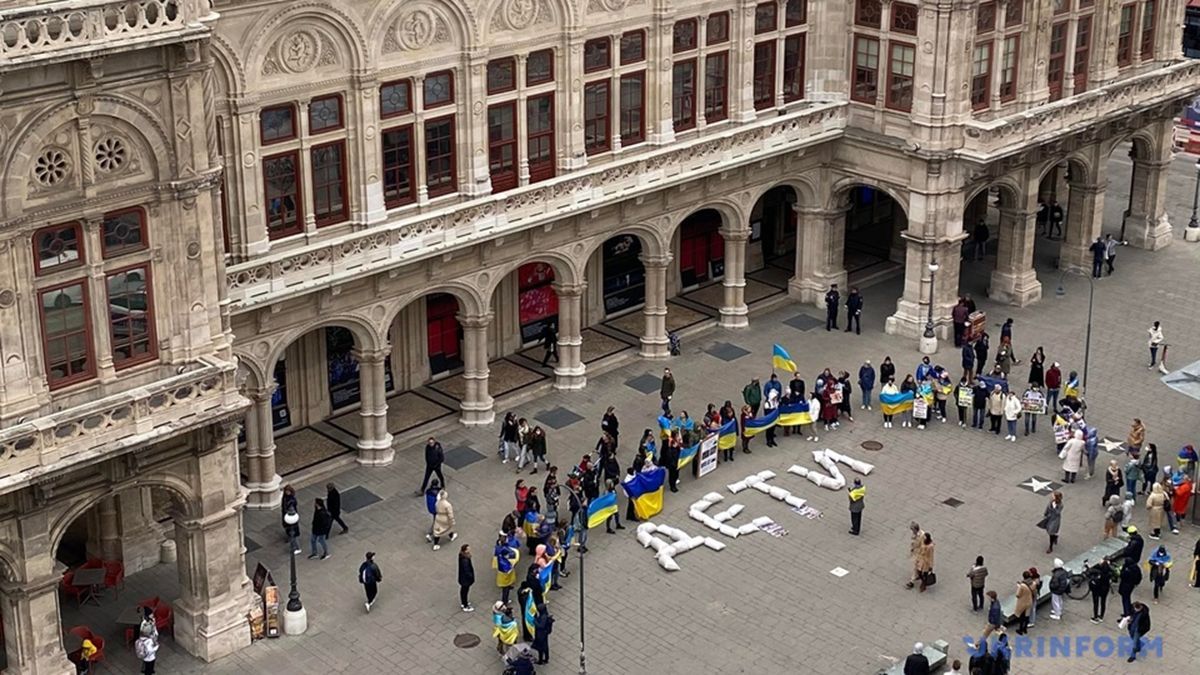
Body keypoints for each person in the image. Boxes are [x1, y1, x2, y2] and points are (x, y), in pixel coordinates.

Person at [1118, 549, 1143, 618]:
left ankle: (1127, 613)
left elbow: (1122, 575)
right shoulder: (1136, 568)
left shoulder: (1127, 570)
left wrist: (1122, 570)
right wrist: (1136, 583)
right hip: (1131, 585)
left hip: (1125, 585)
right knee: (1127, 597)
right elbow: (1139, 576)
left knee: (1125, 599)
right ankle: (1128, 611)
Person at [1086, 557, 1111, 624]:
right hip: (1105, 589)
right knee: (1103, 602)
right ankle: (1101, 616)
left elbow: (1095, 580)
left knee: (1096, 603)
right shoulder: (1108, 572)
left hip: (1097, 590)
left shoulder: (1100, 574)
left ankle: (1095, 617)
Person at [905, 522, 925, 589]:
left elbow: (923, 546)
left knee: (915, 566)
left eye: (912, 529)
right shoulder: (915, 534)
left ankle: (911, 582)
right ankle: (919, 575)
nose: (912, 531)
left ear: (916, 529)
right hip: (915, 552)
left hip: (920, 554)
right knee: (917, 567)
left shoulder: (922, 535)